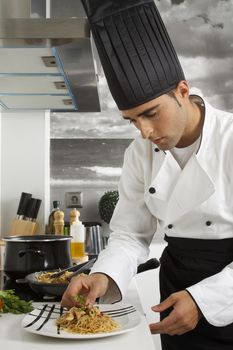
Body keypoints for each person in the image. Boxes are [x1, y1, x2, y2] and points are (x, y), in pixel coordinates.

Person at [62, 1, 233, 349]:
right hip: (175, 297)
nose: (144, 131)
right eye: (131, 120)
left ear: (182, 92)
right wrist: (102, 276)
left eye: (151, 114)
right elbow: (130, 234)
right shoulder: (139, 154)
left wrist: (204, 300)